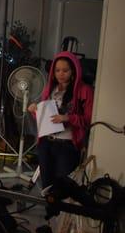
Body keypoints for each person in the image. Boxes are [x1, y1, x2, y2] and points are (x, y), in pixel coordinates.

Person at [27, 51, 94, 195]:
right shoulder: (50, 89)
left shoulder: (85, 90)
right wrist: (34, 110)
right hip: (46, 142)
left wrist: (67, 118)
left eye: (65, 70)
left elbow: (88, 120)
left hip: (67, 145)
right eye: (57, 70)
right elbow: (45, 117)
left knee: (63, 186)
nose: (60, 74)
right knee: (47, 184)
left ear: (74, 70)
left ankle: (62, 214)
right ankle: (50, 212)